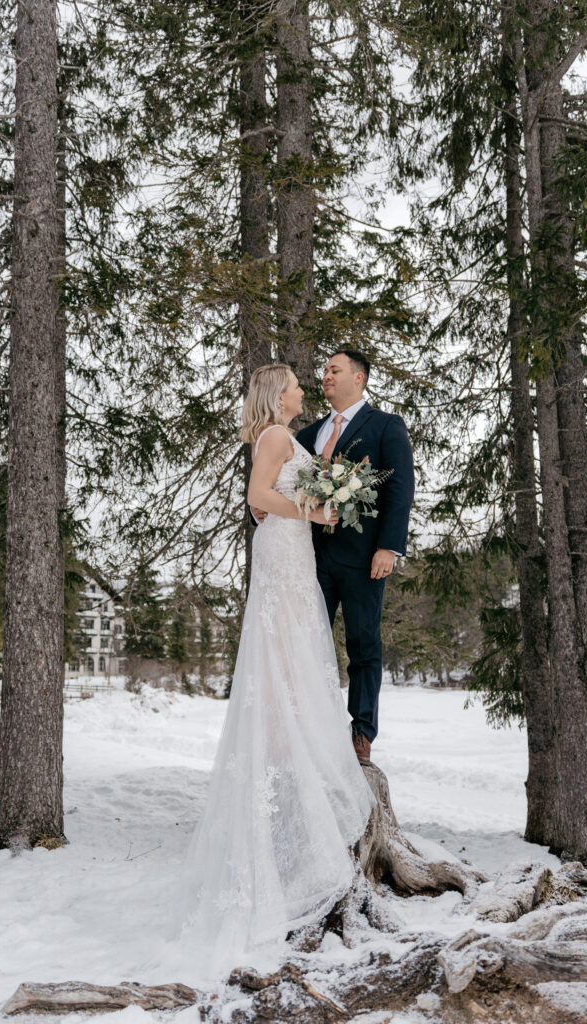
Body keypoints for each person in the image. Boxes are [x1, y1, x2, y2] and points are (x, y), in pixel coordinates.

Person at [167, 363, 375, 979]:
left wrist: (312, 505)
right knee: (288, 656)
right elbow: (259, 499)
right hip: (286, 553)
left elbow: (267, 502)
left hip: (287, 553)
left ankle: (294, 751)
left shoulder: (282, 438)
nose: (304, 392)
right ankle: (296, 761)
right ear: (277, 395)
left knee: (292, 657)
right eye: (295, 387)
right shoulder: (278, 438)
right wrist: (314, 512)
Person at [253, 351, 415, 764]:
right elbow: (274, 483)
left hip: (364, 558)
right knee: (305, 646)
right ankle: (306, 729)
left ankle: (361, 732)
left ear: (358, 379)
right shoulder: (305, 435)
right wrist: (258, 510)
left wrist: (389, 547)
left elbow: (400, 490)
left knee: (363, 645)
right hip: (308, 558)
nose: (325, 376)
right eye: (323, 369)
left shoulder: (385, 426)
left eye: (334, 370)